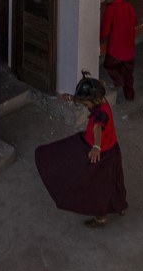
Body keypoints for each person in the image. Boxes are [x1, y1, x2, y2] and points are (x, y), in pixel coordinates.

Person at [34, 72, 128, 228]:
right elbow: (89, 103)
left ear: (94, 100)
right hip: (112, 149)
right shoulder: (101, 101)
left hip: (100, 153)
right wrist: (71, 98)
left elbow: (98, 127)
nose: (86, 106)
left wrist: (96, 147)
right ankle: (120, 206)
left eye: (86, 103)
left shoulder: (101, 114)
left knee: (98, 185)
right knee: (115, 180)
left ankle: (100, 217)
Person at [99, 0, 138, 101]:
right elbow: (135, 21)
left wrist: (101, 39)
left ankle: (118, 81)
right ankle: (130, 95)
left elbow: (105, 29)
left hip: (116, 49)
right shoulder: (128, 6)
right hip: (129, 48)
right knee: (128, 74)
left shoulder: (110, 9)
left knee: (109, 65)